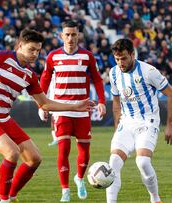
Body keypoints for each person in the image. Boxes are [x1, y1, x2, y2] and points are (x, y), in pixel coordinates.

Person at [0, 28, 94, 203]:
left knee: (34, 159)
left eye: (38, 50)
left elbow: (45, 103)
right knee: (12, 153)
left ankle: (12, 195)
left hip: (4, 119)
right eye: (31, 49)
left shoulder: (30, 76)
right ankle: (3, 200)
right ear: (20, 45)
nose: (35, 54)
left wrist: (76, 106)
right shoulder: (0, 57)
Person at [38, 20, 106, 202]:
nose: (70, 38)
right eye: (67, 34)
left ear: (79, 35)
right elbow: (44, 80)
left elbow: (98, 80)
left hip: (82, 110)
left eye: (74, 34)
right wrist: (41, 105)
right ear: (61, 36)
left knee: (84, 152)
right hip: (61, 110)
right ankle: (65, 191)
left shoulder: (87, 56)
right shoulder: (52, 57)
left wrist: (101, 101)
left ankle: (80, 179)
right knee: (64, 150)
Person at [106, 38, 172, 203]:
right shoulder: (114, 73)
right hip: (127, 122)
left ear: (132, 54)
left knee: (143, 161)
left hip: (147, 122)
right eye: (117, 59)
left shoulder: (149, 71)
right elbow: (116, 102)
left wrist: (170, 126)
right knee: (114, 162)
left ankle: (155, 198)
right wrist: (118, 126)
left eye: (123, 58)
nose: (120, 63)